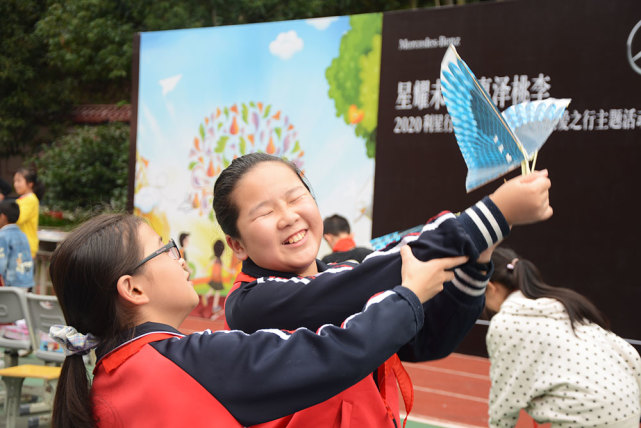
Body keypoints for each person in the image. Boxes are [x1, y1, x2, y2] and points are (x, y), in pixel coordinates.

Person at [213, 152, 553, 428]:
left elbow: (428, 340)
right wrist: (493, 215)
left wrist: (477, 261)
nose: (288, 216)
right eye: (266, 212)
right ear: (237, 245)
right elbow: (354, 286)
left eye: (296, 197)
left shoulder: (346, 272)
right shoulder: (250, 304)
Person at [48, 213, 464, 428]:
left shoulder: (108, 371)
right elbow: (333, 354)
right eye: (164, 249)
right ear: (133, 289)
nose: (178, 256)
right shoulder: (192, 358)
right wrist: (408, 295)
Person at [485, 247, 641, 427]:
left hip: (586, 418)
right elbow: (628, 352)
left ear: (491, 287)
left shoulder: (506, 321)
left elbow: (506, 392)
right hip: (628, 408)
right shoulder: (562, 303)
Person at [0, 200, 34, 288]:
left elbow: (1, 264)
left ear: (3, 217)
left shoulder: (2, 236)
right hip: (27, 283)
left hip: (11, 285)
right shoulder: (23, 235)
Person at [14, 168, 43, 259]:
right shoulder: (21, 199)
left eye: (19, 181)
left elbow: (18, 218)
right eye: (14, 181)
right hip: (18, 245)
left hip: (25, 247)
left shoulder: (31, 199)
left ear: (30, 184)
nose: (15, 184)